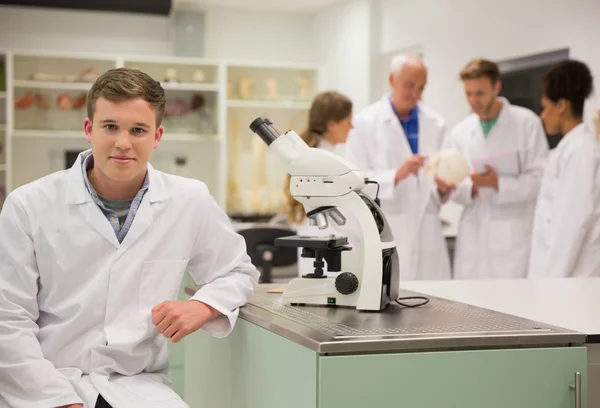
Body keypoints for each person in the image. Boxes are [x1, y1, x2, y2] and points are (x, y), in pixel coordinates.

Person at [0, 68, 259, 408]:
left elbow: (238, 271)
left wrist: (202, 305)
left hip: (140, 388)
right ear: (89, 129)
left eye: (138, 130)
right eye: (110, 127)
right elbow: (8, 320)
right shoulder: (28, 205)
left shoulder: (188, 200)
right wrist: (59, 401)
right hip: (46, 385)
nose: (123, 142)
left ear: (157, 136)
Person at [437, 58, 549, 280]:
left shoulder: (527, 123)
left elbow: (540, 180)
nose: (474, 101)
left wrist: (498, 184)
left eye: (480, 93)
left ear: (497, 87)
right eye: (468, 94)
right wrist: (461, 188)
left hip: (513, 238)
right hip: (473, 238)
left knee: (513, 307)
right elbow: (458, 187)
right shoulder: (461, 132)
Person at [345, 54, 451, 281]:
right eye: (409, 85)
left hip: (427, 233)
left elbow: (435, 186)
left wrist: (444, 189)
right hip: (388, 225)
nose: (415, 93)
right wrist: (396, 175)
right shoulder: (365, 123)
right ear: (392, 79)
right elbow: (353, 180)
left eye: (421, 87)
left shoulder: (436, 123)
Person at [528, 60, 599, 278]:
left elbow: (571, 224)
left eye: (545, 107)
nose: (542, 115)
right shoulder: (569, 148)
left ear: (562, 106)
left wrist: (551, 284)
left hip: (570, 280)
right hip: (562, 279)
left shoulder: (580, 151)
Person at [283, 90, 354, 276]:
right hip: (323, 237)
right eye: (348, 121)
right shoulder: (321, 159)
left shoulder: (321, 155)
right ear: (331, 125)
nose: (352, 127)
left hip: (321, 235)